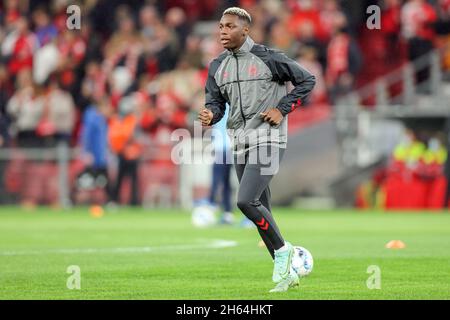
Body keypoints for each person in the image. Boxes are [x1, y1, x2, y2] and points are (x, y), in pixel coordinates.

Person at [198, 7, 315, 293]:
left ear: (245, 30)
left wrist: (282, 108)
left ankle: (284, 251)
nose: (222, 31)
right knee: (263, 211)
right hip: (239, 142)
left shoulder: (269, 58)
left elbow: (307, 80)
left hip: (269, 140)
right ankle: (288, 274)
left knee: (245, 201)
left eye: (229, 26)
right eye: (220, 26)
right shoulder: (217, 66)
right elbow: (216, 103)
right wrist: (211, 114)